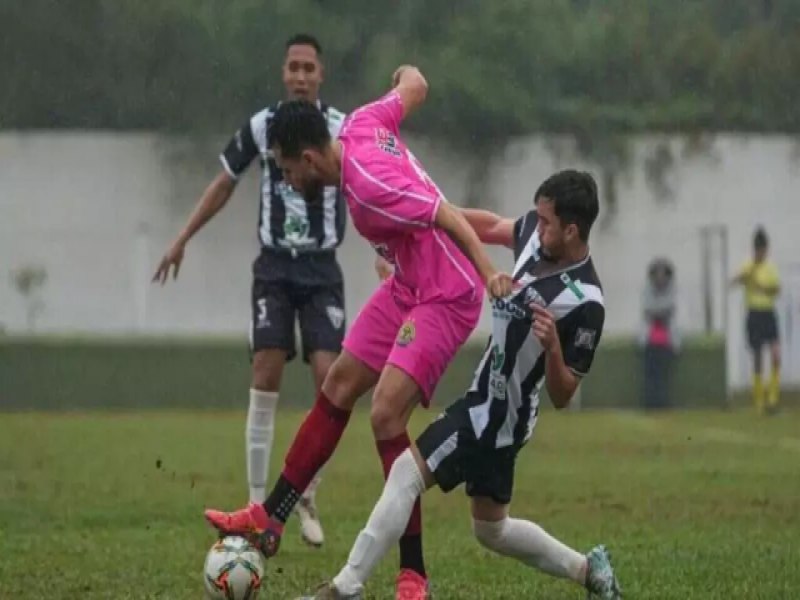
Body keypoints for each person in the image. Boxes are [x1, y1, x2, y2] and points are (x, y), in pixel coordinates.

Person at [204, 65, 513, 599]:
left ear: (307, 159)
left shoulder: (366, 188)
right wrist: (404, 74)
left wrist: (489, 274)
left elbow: (443, 214)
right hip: (407, 286)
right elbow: (417, 84)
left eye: (283, 168)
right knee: (339, 385)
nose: (286, 180)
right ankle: (270, 517)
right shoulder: (364, 122)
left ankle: (413, 572)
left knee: (388, 414)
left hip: (446, 294)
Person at [295, 170, 621, 600]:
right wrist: (418, 226)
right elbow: (481, 225)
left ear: (571, 229)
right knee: (491, 528)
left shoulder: (586, 303)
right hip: (495, 410)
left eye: (545, 222)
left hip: (495, 415)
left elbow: (564, 395)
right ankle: (587, 570)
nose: (534, 226)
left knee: (405, 473)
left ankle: (345, 587)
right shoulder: (533, 237)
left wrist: (554, 349)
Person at [153, 34, 347, 545]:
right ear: (284, 73)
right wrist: (182, 237)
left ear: (321, 75)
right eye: (294, 67)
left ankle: (305, 490)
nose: (302, 75)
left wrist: (383, 251)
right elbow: (224, 181)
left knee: (334, 378)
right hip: (275, 268)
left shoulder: (341, 129)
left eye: (310, 67)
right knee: (266, 368)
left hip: (324, 268)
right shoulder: (263, 127)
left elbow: (363, 185)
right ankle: (260, 506)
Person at [731, 227, 781, 414]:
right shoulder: (748, 266)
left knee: (776, 353)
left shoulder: (770, 268)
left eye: (763, 249)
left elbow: (776, 290)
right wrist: (745, 276)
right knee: (758, 356)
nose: (760, 252)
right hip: (754, 313)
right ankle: (759, 400)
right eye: (758, 249)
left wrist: (762, 287)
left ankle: (773, 396)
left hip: (768, 313)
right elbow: (734, 281)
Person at [640, 258, 679, 410]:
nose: (660, 279)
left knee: (664, 375)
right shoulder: (647, 291)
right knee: (651, 375)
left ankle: (663, 402)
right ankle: (650, 402)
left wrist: (658, 311)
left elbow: (671, 309)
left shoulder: (673, 292)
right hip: (650, 341)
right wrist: (660, 311)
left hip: (666, 341)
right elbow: (648, 310)